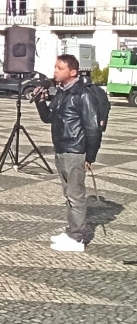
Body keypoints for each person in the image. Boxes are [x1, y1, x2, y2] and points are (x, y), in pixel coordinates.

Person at [34, 54, 104, 253]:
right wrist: (40, 101)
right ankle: (71, 231)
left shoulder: (83, 94)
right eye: (55, 67)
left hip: (75, 151)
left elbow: (93, 128)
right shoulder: (62, 93)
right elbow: (48, 118)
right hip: (62, 149)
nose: (55, 71)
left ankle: (77, 238)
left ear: (72, 72)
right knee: (69, 195)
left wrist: (90, 156)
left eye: (59, 68)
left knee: (76, 197)